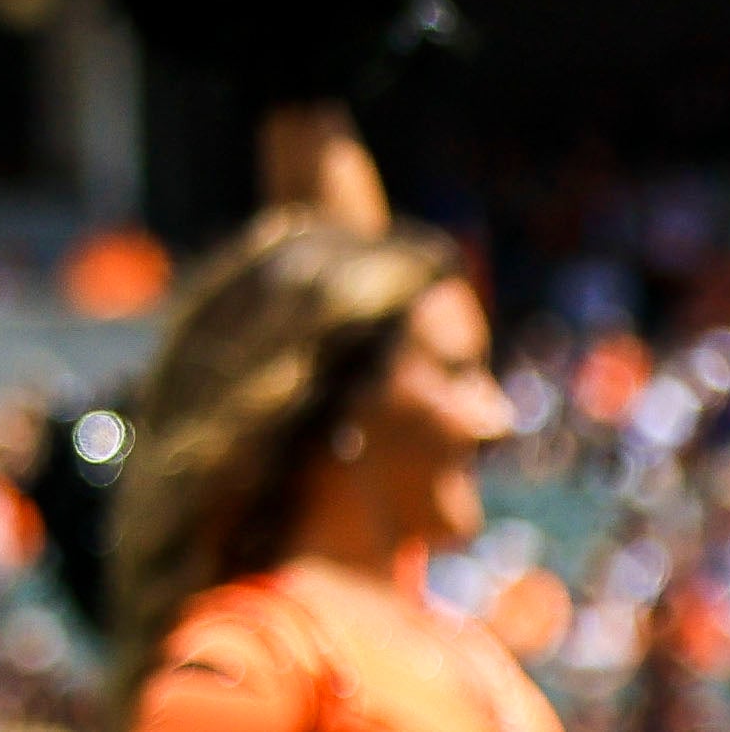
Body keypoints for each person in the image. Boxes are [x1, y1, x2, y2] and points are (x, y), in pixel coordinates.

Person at [112, 200, 552, 732]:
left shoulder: (469, 654)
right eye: (457, 372)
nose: (498, 419)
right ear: (342, 407)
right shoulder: (253, 663)